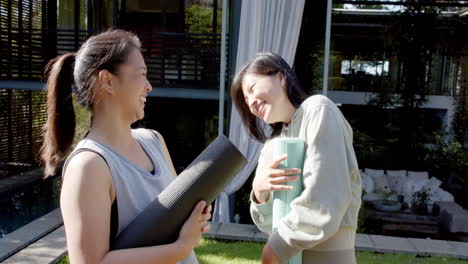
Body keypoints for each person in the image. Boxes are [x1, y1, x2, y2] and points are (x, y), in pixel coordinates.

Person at [40, 29, 210, 264]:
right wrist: (181, 247)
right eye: (141, 74)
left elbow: (173, 219)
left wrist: (192, 220)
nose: (149, 86)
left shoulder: (153, 141)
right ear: (108, 81)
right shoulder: (89, 165)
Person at [231, 52, 362, 264]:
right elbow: (272, 224)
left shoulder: (318, 110)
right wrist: (259, 193)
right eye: (246, 101)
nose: (251, 103)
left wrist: (275, 249)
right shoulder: (273, 144)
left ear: (280, 77)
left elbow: (326, 197)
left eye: (252, 89)